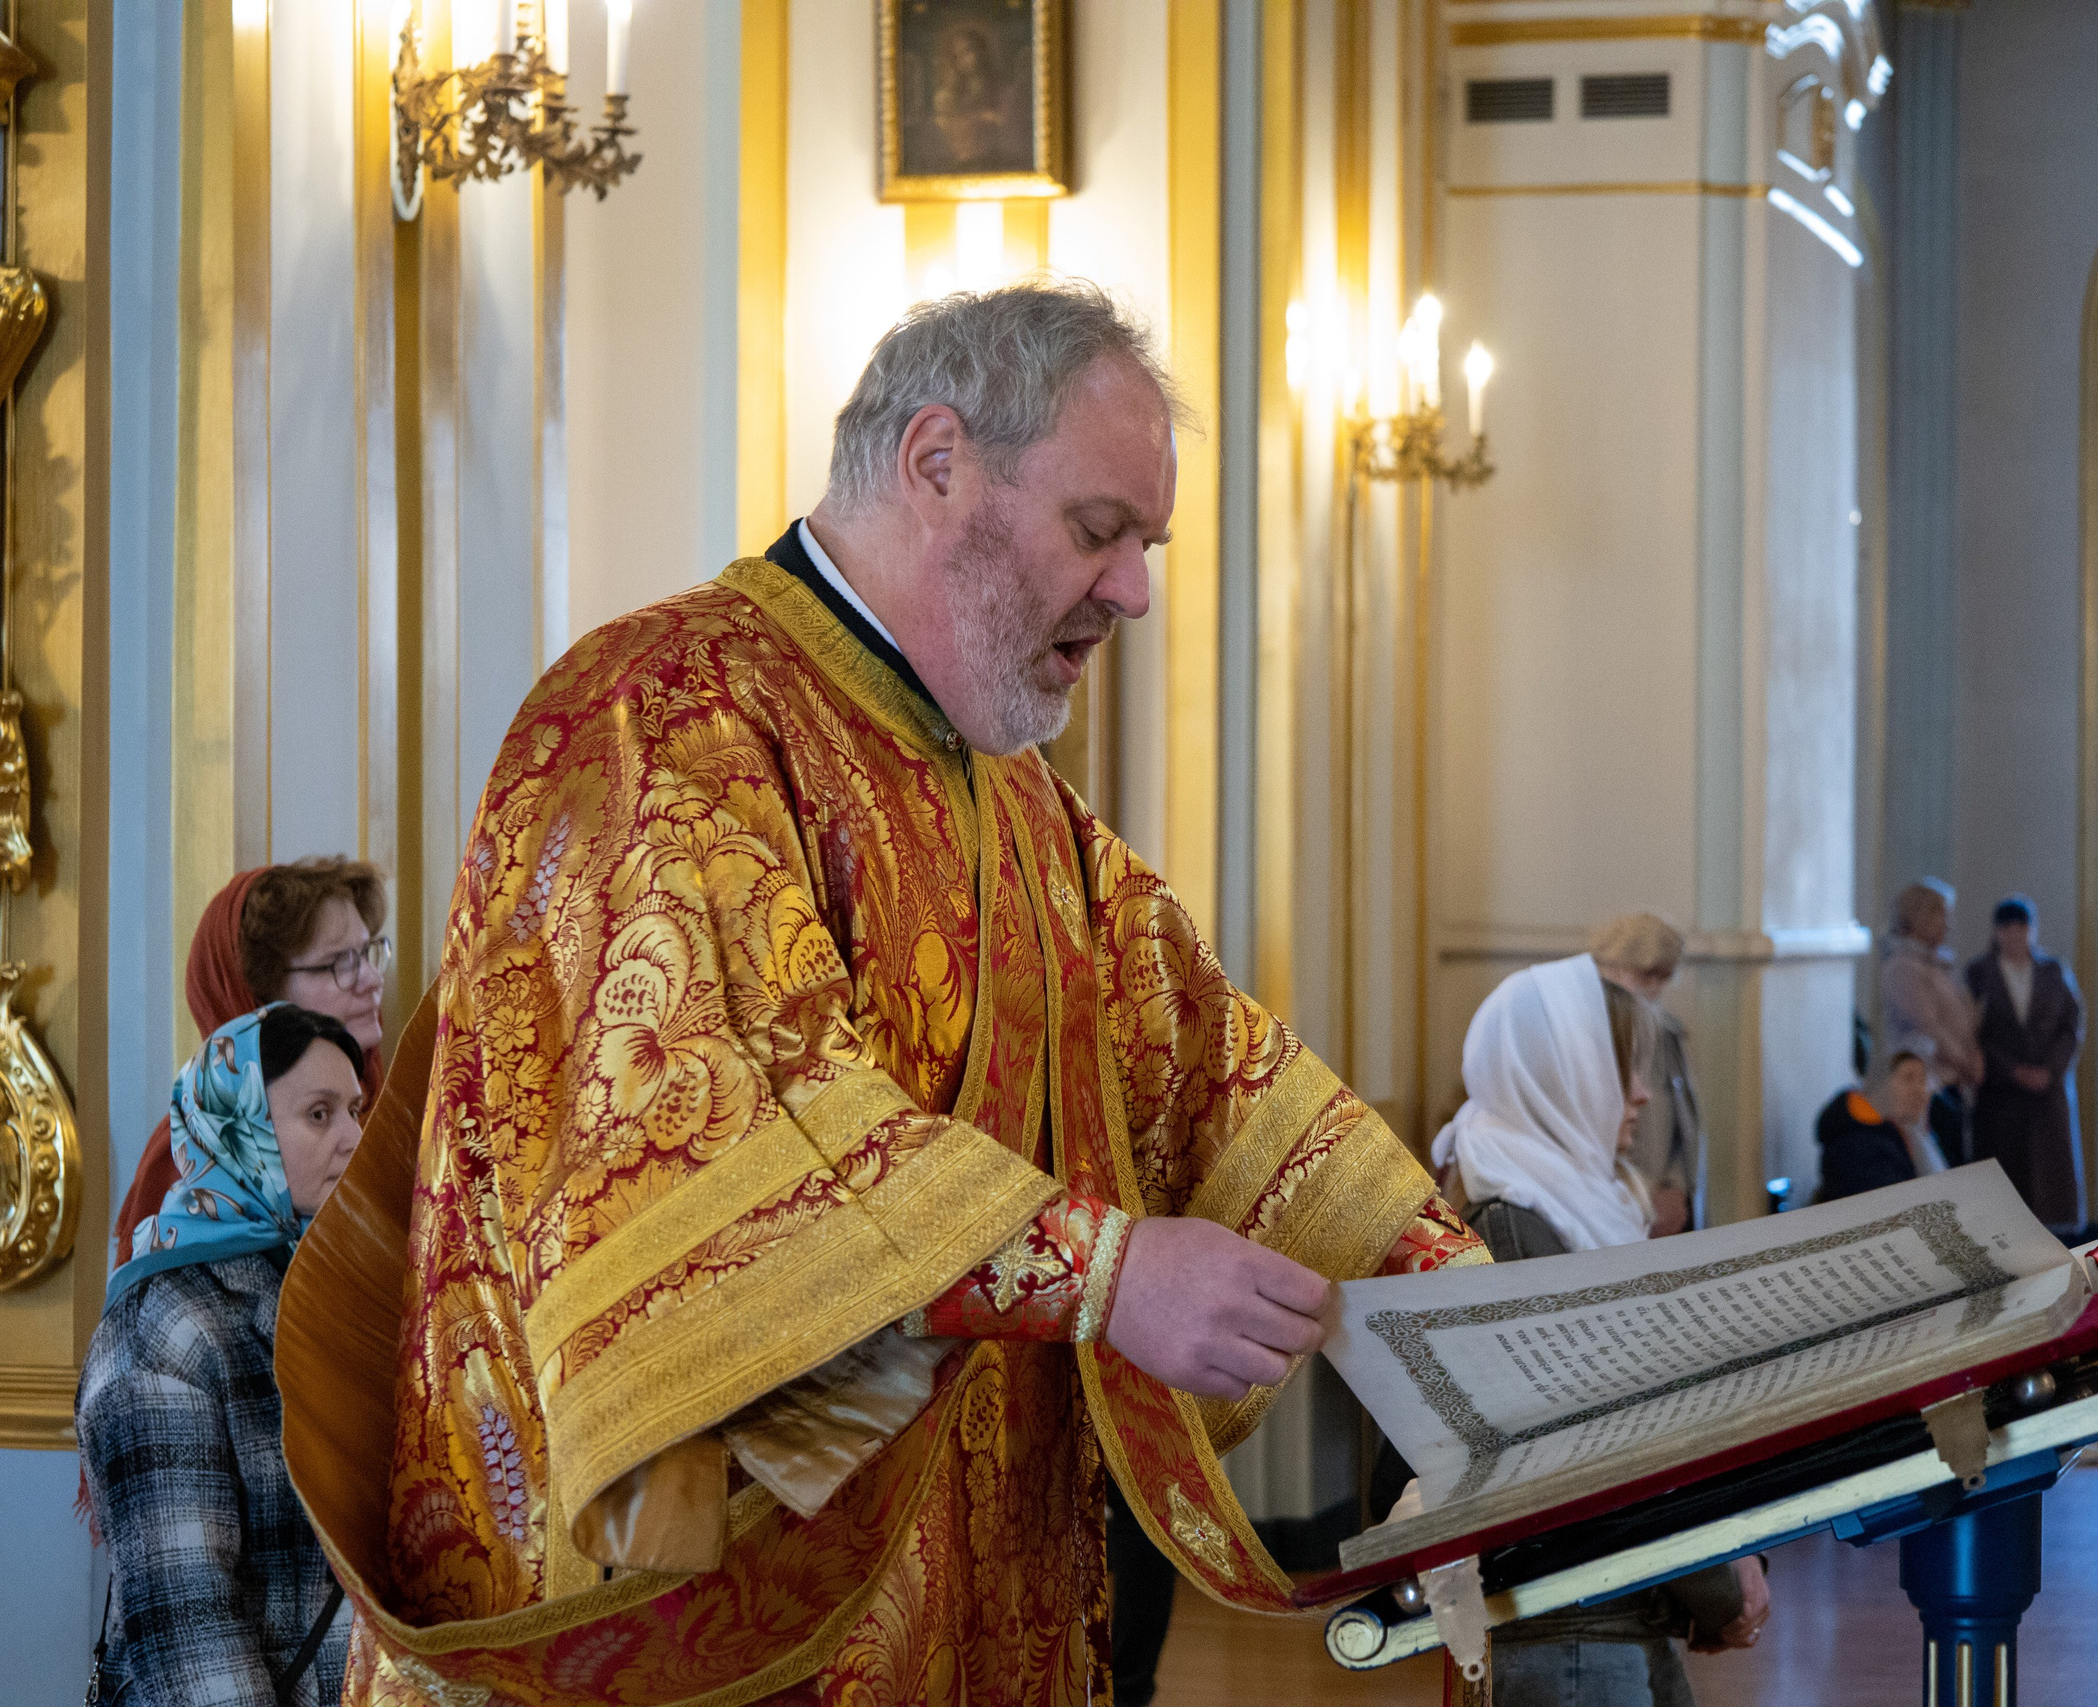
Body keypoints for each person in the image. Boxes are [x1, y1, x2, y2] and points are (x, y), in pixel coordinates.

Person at [275, 280, 1490, 1705]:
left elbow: (1216, 1071)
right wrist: (1103, 1271)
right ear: (936, 463)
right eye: (1099, 530)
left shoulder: (1016, 800)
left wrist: (1483, 1321)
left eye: (1146, 546)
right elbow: (728, 1135)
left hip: (969, 1597)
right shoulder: (660, 715)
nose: (1135, 592)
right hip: (700, 1620)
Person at [1399, 955, 1766, 1704]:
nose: (1641, 1094)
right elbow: (1604, 1447)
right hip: (1567, 1631)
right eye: (1619, 1068)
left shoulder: (1562, 1209)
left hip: (1606, 1614)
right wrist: (1719, 1582)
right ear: (1558, 1074)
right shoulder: (1515, 1230)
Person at [77, 1005, 368, 1707]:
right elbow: (187, 1627)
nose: (355, 1138)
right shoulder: (164, 1323)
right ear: (239, 1129)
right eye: (320, 1114)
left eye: (356, 1110)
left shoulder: (335, 1287)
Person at [109, 859, 392, 1270]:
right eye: (340, 963)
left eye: (367, 953)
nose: (372, 979)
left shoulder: (400, 1110)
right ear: (257, 997)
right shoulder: (195, 1155)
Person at [1963, 895, 2085, 1231]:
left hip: (2047, 1090)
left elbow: (2071, 1025)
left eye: (2022, 928)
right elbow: (1975, 1034)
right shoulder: (1980, 973)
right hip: (2001, 1093)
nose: (2016, 936)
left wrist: (2051, 1070)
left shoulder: (2053, 971)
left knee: (2049, 1174)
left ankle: (2055, 1235)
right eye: (2008, 929)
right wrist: (2012, 1070)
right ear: (1997, 932)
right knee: (2005, 1174)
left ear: (2032, 930)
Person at [1590, 911, 1704, 1235]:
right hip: (1617, 1195)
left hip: (1664, 1191)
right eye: (1646, 975)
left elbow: (1686, 1123)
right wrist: (1639, 1195)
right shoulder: (1592, 1031)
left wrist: (1676, 1185)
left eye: (1663, 977)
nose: (1654, 987)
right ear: (1615, 965)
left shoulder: (1667, 1032)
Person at [1880, 878, 1981, 1167]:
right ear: (1920, 917)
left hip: (1953, 1083)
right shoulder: (1902, 967)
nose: (1949, 925)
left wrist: (1974, 1053)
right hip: (1929, 1087)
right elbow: (1928, 1027)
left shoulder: (1939, 963)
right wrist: (1964, 1062)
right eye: (1942, 916)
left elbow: (1964, 1016)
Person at [1814, 1043, 1946, 1202]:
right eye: (1908, 1078)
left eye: (1922, 1081)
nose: (1920, 1091)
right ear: (1879, 1084)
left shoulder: (1893, 1132)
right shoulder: (1855, 1145)